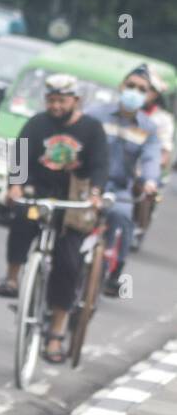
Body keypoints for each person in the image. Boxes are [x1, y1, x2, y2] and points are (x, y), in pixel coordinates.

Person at [0, 74, 107, 363]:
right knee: (22, 217)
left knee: (68, 264)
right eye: (51, 100)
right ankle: (12, 276)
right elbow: (20, 157)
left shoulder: (92, 129)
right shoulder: (37, 123)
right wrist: (15, 185)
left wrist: (95, 193)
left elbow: (99, 166)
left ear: (76, 101)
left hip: (73, 202)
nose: (55, 106)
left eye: (61, 100)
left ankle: (56, 333)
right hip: (39, 194)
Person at [88, 67, 161, 296]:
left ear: (148, 96)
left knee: (123, 215)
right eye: (130, 86)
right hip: (88, 185)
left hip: (119, 189)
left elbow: (152, 157)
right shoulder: (95, 114)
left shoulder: (148, 128)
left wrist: (150, 181)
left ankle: (115, 270)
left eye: (141, 89)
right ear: (121, 87)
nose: (134, 92)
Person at [134, 63, 172, 244]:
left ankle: (136, 228)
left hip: (143, 170)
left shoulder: (162, 120)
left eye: (145, 89)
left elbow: (163, 154)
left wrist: (149, 175)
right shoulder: (118, 112)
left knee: (145, 192)